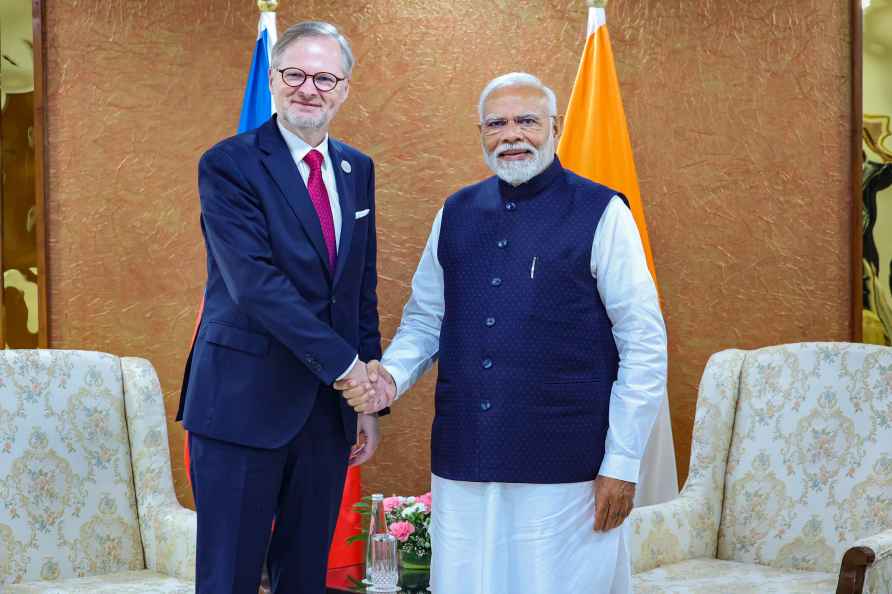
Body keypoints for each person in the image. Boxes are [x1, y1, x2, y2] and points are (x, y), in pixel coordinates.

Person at [337, 72, 667, 594]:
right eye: (497, 123)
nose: (512, 134)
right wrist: (389, 382)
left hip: (569, 467)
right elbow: (425, 321)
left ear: (554, 127)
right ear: (481, 133)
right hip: (463, 459)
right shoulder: (455, 212)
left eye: (527, 121)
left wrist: (622, 463)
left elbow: (643, 345)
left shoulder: (603, 212)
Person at [177, 21, 384, 594]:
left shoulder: (356, 169)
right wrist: (351, 372)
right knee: (231, 577)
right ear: (272, 79)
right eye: (294, 74)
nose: (308, 88)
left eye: (324, 78)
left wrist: (366, 398)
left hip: (326, 412)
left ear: (344, 88)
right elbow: (255, 286)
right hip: (241, 403)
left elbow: (358, 290)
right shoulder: (228, 164)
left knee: (304, 575)